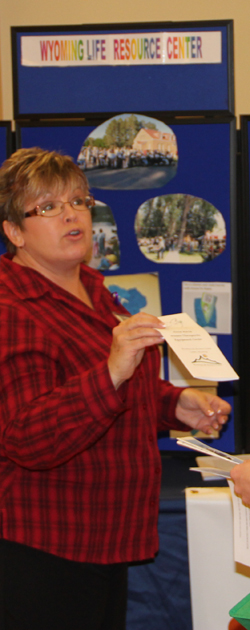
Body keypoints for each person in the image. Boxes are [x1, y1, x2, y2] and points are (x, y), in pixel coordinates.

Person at [0, 147, 231, 630]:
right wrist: (111, 371)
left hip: (108, 534)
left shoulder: (92, 287)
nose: (71, 214)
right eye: (47, 207)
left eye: (79, 201)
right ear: (14, 231)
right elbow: (27, 435)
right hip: (44, 546)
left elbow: (114, 387)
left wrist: (176, 404)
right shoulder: (12, 309)